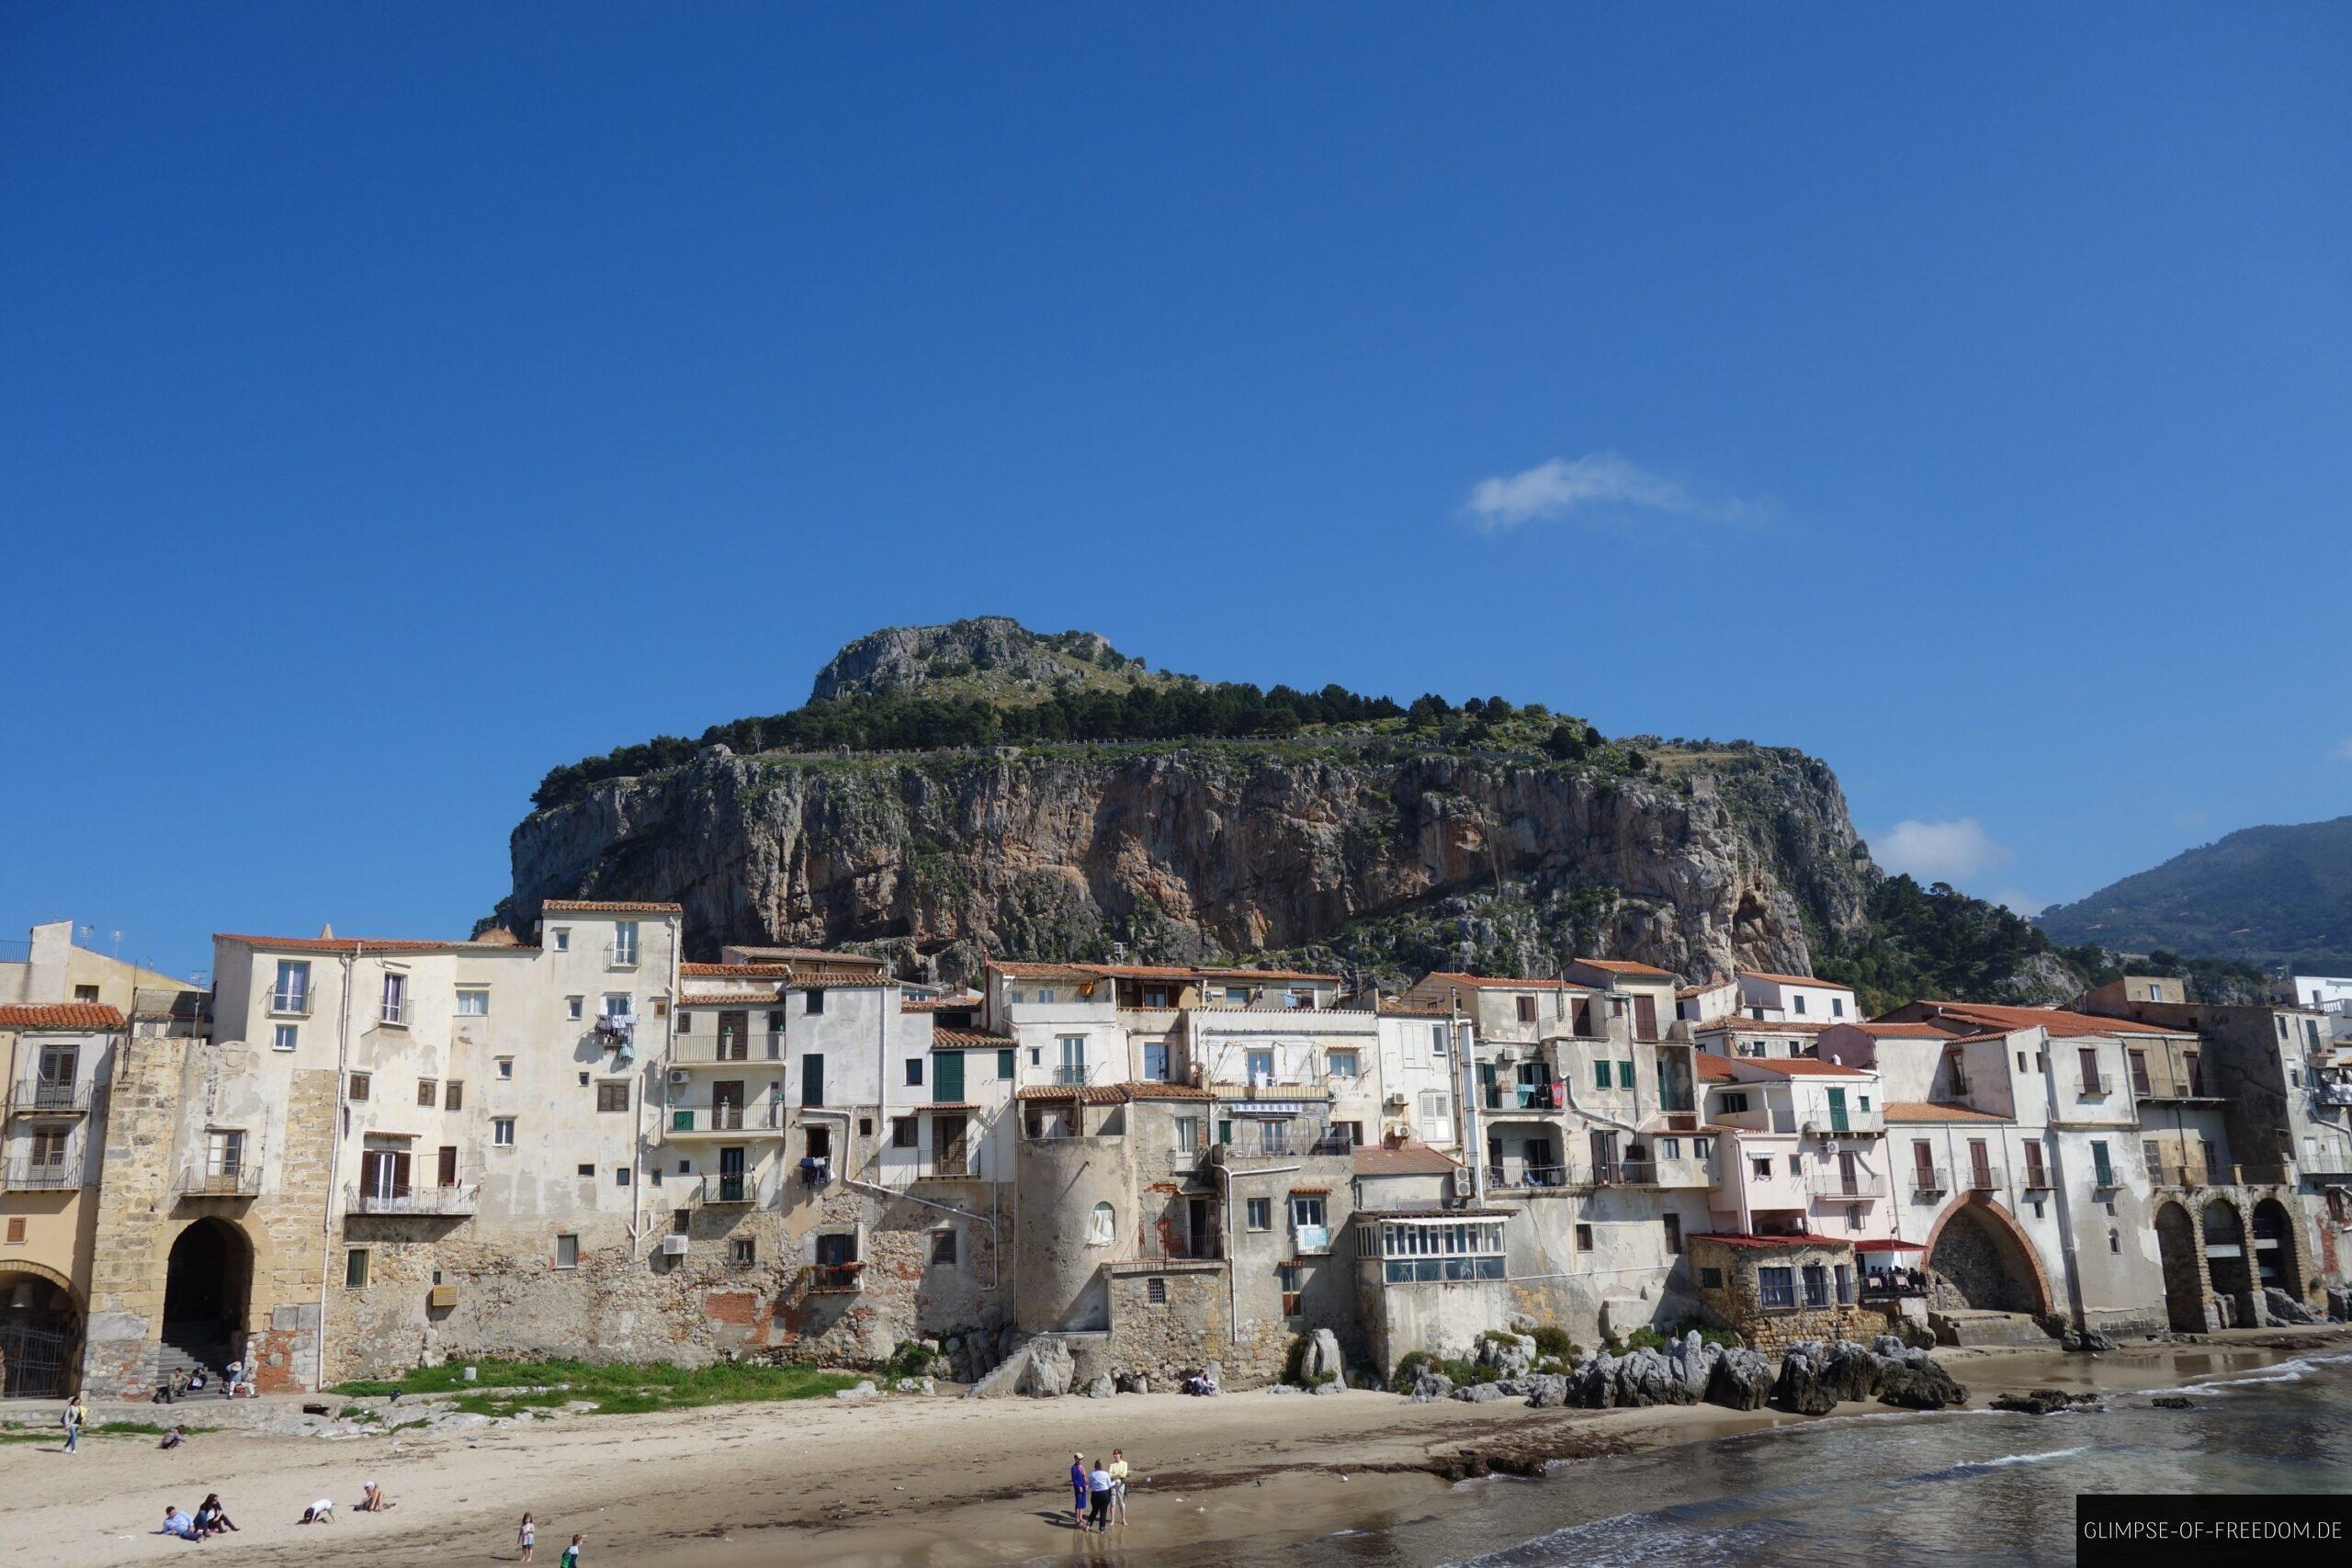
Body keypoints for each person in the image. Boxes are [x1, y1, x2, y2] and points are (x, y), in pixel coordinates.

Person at [1087, 1461, 1114, 1532]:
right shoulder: (1105, 1473)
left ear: (1095, 1466)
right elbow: (1110, 1485)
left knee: (1094, 1511)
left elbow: (1089, 1485)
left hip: (1095, 1495)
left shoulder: (1092, 1474)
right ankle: (1102, 1530)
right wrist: (1115, 1482)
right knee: (1103, 1513)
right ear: (1102, 1466)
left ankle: (1088, 1526)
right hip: (1105, 1494)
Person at [1107, 1448, 1129, 1527]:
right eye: (1114, 1454)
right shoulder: (1112, 1464)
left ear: (1120, 1454)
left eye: (1116, 1454)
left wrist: (1115, 1475)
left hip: (1121, 1485)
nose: (1115, 1455)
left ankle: (1123, 1519)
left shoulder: (1124, 1463)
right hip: (1113, 1485)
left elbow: (1124, 1474)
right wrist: (1118, 1474)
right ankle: (1112, 1520)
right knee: (1112, 1502)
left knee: (1121, 1502)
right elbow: (1109, 1475)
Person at [1069, 1453, 1090, 1529]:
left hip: (1083, 1486)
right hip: (1078, 1488)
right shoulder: (1073, 1468)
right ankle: (1077, 1518)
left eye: (1081, 1459)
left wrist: (1086, 1484)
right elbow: (1074, 1480)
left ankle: (1081, 1517)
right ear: (1076, 1459)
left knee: (1083, 1502)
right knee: (1078, 1502)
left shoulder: (1081, 1466)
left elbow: (1084, 1477)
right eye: (1079, 1459)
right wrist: (1079, 1487)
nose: (1081, 1460)